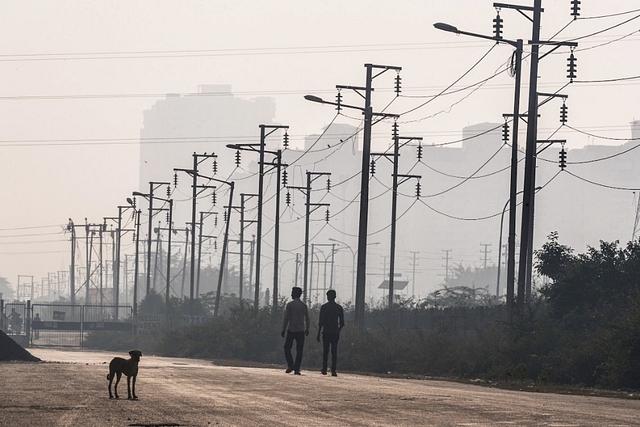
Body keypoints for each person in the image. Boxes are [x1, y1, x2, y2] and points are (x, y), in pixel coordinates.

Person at [281, 287, 310, 375]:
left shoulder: (290, 305)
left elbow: (286, 318)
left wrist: (283, 329)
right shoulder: (303, 305)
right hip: (300, 330)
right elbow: (307, 318)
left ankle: (291, 365)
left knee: (287, 348)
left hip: (291, 330)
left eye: (292, 293)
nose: (291, 294)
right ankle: (297, 368)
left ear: (295, 294)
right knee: (299, 350)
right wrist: (307, 328)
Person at [317, 289, 345, 377]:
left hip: (326, 332)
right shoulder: (339, 308)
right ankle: (333, 370)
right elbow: (342, 323)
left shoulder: (324, 307)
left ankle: (324, 369)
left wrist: (318, 333)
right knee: (334, 351)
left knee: (325, 351)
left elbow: (321, 322)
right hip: (335, 332)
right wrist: (338, 331)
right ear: (335, 297)